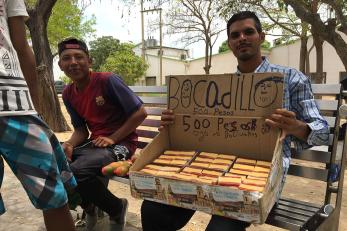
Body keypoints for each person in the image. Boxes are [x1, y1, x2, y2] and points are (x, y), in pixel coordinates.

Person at [140, 11, 329, 231]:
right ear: (230, 44)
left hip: (262, 173)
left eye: (249, 32)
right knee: (152, 211)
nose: (242, 38)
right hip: (209, 166)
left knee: (221, 228)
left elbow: (323, 132)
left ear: (261, 36)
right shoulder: (222, 86)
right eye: (235, 35)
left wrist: (297, 127)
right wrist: (174, 125)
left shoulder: (292, 78)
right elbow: (200, 130)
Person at [0, 1, 77, 231]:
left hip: (16, 104)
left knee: (54, 197)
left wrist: (34, 108)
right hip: (17, 105)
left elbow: (22, 46)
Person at [57, 37, 147, 231]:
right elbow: (81, 130)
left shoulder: (107, 80)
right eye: (67, 58)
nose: (73, 62)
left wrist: (113, 138)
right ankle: (90, 207)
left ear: (89, 61)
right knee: (57, 166)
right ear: (60, 65)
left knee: (78, 171)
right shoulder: (68, 93)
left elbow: (140, 113)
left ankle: (116, 208)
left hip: (122, 144)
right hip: (96, 145)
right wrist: (70, 144)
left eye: (79, 57)